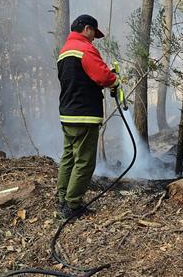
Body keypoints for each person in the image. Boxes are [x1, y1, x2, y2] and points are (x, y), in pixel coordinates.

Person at [56, 14, 119, 219]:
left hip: (68, 114)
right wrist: (114, 81)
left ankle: (62, 198)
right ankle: (73, 205)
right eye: (93, 34)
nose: (93, 39)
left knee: (68, 158)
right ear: (87, 29)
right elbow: (102, 76)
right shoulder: (85, 49)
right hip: (84, 114)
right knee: (84, 161)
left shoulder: (64, 51)